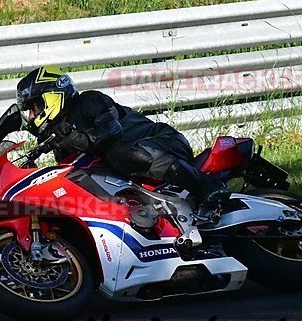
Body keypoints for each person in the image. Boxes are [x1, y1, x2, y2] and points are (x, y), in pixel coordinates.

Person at [15, 66, 231, 220]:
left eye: (35, 107)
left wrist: (78, 138)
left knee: (119, 153)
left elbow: (110, 129)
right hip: (137, 169)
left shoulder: (89, 101)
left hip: (162, 143)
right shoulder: (61, 136)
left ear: (53, 95)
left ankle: (208, 186)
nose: (33, 116)